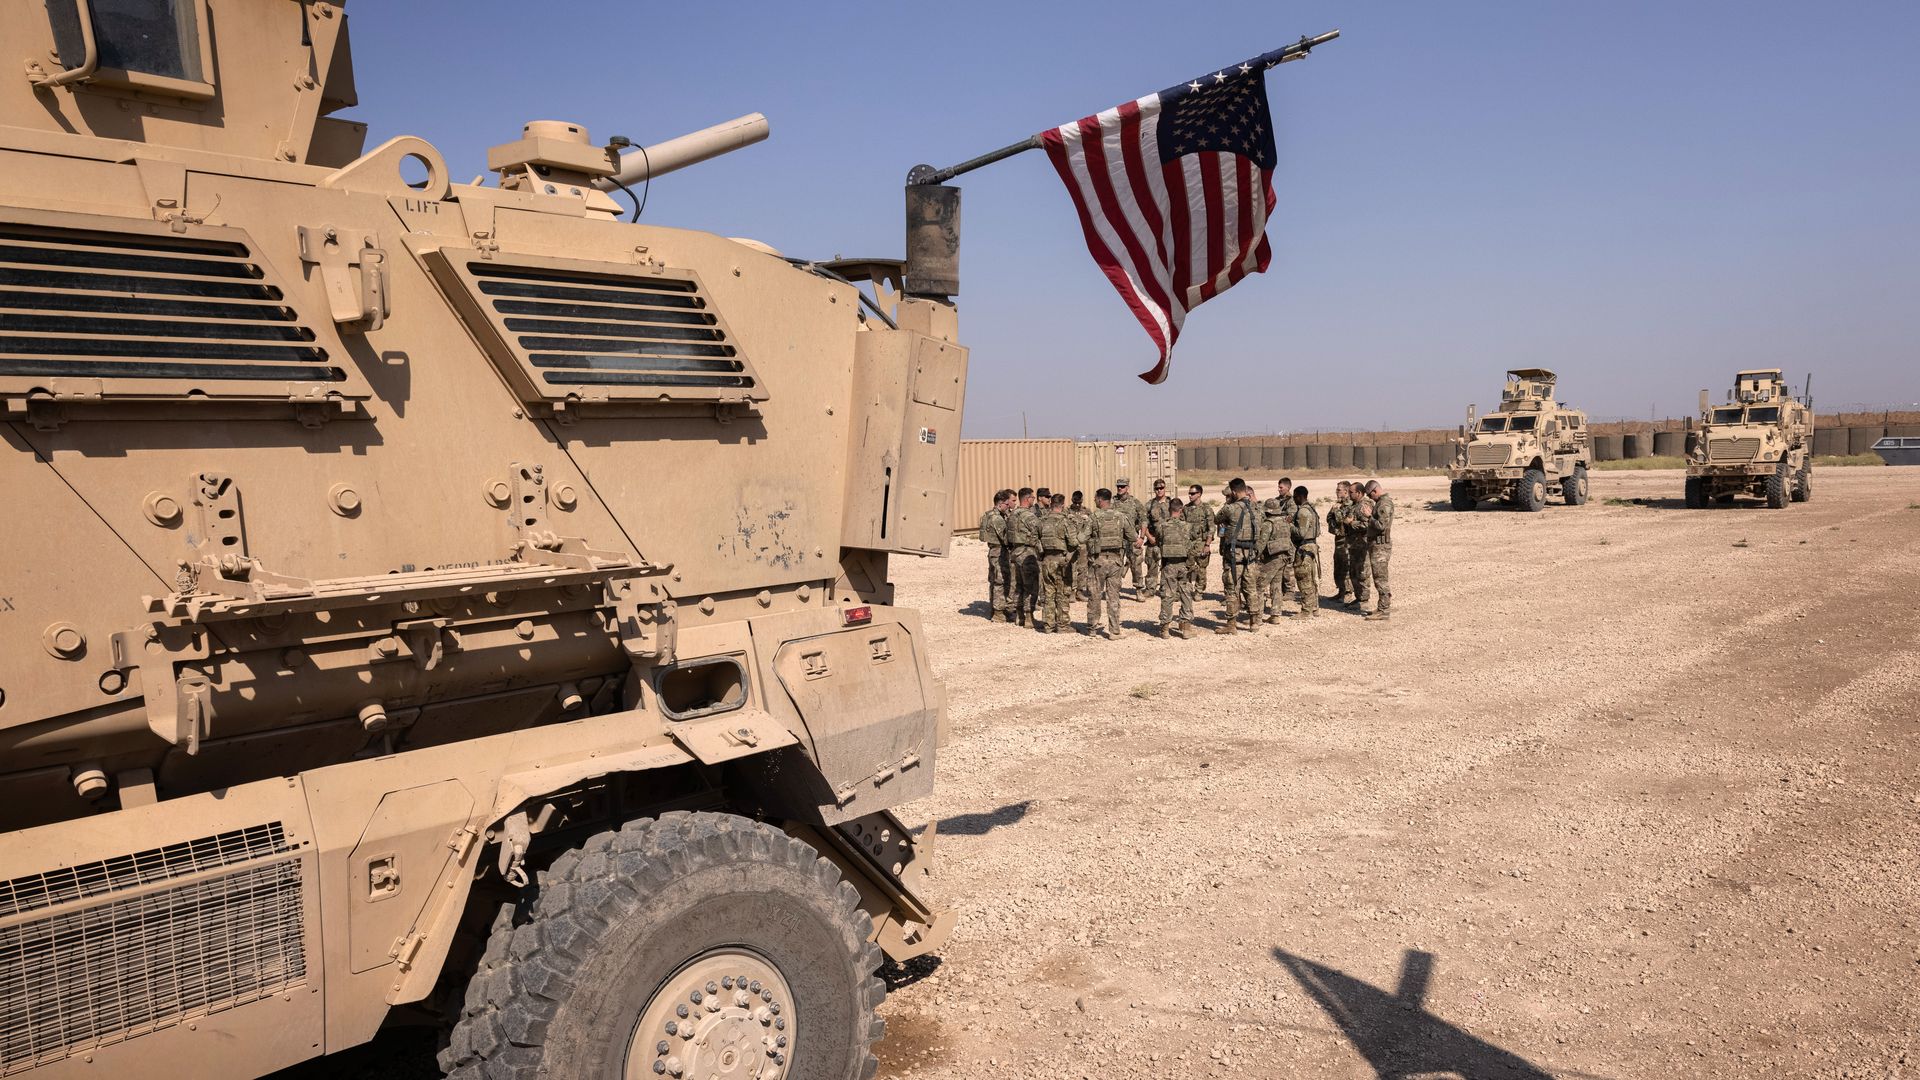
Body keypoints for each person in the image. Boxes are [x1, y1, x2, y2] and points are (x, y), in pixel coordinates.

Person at [1213, 481, 1265, 633]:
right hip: (1251, 555)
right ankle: (1254, 623)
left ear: (1234, 493)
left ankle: (1231, 625)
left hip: (1234, 556)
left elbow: (1217, 519)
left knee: (1232, 589)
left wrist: (1229, 502)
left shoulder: (1230, 508)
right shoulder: (1257, 509)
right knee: (1251, 589)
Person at [1086, 488, 1135, 639]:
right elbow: (1133, 536)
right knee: (1113, 596)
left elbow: (1081, 537)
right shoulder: (1120, 517)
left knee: (1095, 595)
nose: (1094, 500)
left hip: (1098, 562)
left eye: (1095, 498)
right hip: (1115, 562)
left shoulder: (1093, 517)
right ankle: (1114, 631)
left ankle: (1092, 628)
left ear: (1100, 500)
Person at [1153, 497, 1194, 637]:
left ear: (1169, 510)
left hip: (1168, 565)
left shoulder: (1162, 526)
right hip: (1183, 565)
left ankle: (1165, 629)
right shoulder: (1187, 526)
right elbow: (1190, 546)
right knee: (1186, 595)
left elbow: (1159, 542)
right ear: (1181, 510)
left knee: (1167, 596)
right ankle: (1186, 629)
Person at [1037, 493, 1073, 634]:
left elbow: (1035, 539)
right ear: (1063, 505)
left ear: (1051, 504)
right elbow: (1074, 542)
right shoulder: (1065, 521)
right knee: (1062, 592)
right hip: (1061, 560)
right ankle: (1062, 625)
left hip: (1047, 560)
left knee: (1048, 592)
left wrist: (1042, 553)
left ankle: (1048, 625)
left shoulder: (1042, 520)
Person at [1361, 479, 1394, 620]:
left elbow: (1381, 525)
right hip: (1377, 545)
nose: (1369, 498)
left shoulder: (1384, 504)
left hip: (1381, 547)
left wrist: (1369, 517)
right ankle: (1382, 606)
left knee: (1381, 579)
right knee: (1379, 578)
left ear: (1375, 491)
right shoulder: (1380, 503)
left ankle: (1384, 610)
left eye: (1370, 495)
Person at [979, 489, 1014, 622]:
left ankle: (995, 609)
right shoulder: (997, 518)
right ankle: (999, 613)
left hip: (994, 551)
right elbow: (1005, 538)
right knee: (1000, 581)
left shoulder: (989, 515)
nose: (1008, 506)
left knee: (994, 581)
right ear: (1000, 504)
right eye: (1006, 504)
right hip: (999, 552)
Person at [1258, 497, 1295, 622]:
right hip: (1283, 557)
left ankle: (1256, 617)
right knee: (1276, 585)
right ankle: (1275, 614)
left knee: (1259, 585)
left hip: (1272, 559)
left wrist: (1254, 556)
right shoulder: (1285, 522)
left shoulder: (1268, 524)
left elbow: (1261, 543)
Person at [1008, 487, 1040, 627]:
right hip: (1027, 553)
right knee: (1030, 587)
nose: (1033, 500)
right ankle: (1028, 617)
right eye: (1032, 498)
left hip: (1014, 553)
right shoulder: (1029, 516)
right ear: (1027, 499)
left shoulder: (1012, 515)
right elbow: (1040, 532)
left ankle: (1019, 616)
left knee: (1018, 586)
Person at [1111, 479, 1148, 595]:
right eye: (1118, 486)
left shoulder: (1135, 502)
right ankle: (1114, 590)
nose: (1120, 488)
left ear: (1127, 487)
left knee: (1136, 564)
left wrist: (1142, 538)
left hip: (1132, 539)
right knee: (1115, 565)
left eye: (1122, 486)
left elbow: (1144, 520)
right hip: (1117, 540)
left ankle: (1138, 590)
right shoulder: (1112, 502)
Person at [1290, 485, 1322, 617]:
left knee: (1304, 578)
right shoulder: (1312, 509)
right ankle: (1314, 607)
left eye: (1295, 497)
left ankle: (1306, 610)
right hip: (1312, 545)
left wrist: (1290, 525)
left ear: (1299, 496)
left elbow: (1301, 533)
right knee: (1311, 578)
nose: (1294, 499)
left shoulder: (1303, 512)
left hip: (1305, 548)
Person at [1345, 480, 1374, 611]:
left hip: (1362, 545)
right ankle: (1358, 598)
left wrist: (1352, 524)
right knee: (1353, 573)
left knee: (1362, 573)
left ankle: (1364, 600)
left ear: (1359, 493)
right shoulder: (1354, 505)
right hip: (1353, 545)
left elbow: (1368, 524)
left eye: (1351, 492)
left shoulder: (1365, 505)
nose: (1349, 494)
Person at [1183, 484, 1212, 605]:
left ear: (1199, 494)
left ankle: (1199, 591)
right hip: (1189, 542)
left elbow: (1211, 528)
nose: (1190, 495)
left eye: (1192, 493)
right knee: (1188, 566)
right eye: (1189, 493)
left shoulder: (1206, 508)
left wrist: (1207, 545)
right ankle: (1187, 589)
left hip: (1201, 541)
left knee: (1201, 568)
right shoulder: (1186, 508)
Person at [1328, 481, 1354, 605]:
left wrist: (1336, 511)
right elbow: (1329, 518)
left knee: (1346, 566)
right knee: (1338, 566)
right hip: (1338, 539)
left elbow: (1341, 521)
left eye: (1339, 490)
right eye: (1336, 489)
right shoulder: (1339, 504)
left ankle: (1348, 593)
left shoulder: (1349, 505)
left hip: (1346, 540)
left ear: (1346, 491)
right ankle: (1341, 591)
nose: (1336, 492)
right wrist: (1334, 511)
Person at [1068, 491, 1091, 600]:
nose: (1077, 505)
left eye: (1079, 503)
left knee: (1082, 568)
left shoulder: (1087, 511)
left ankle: (1080, 591)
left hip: (1083, 545)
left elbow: (1091, 527)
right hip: (1070, 545)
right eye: (1075, 503)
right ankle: (1071, 591)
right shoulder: (1066, 511)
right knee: (1071, 568)